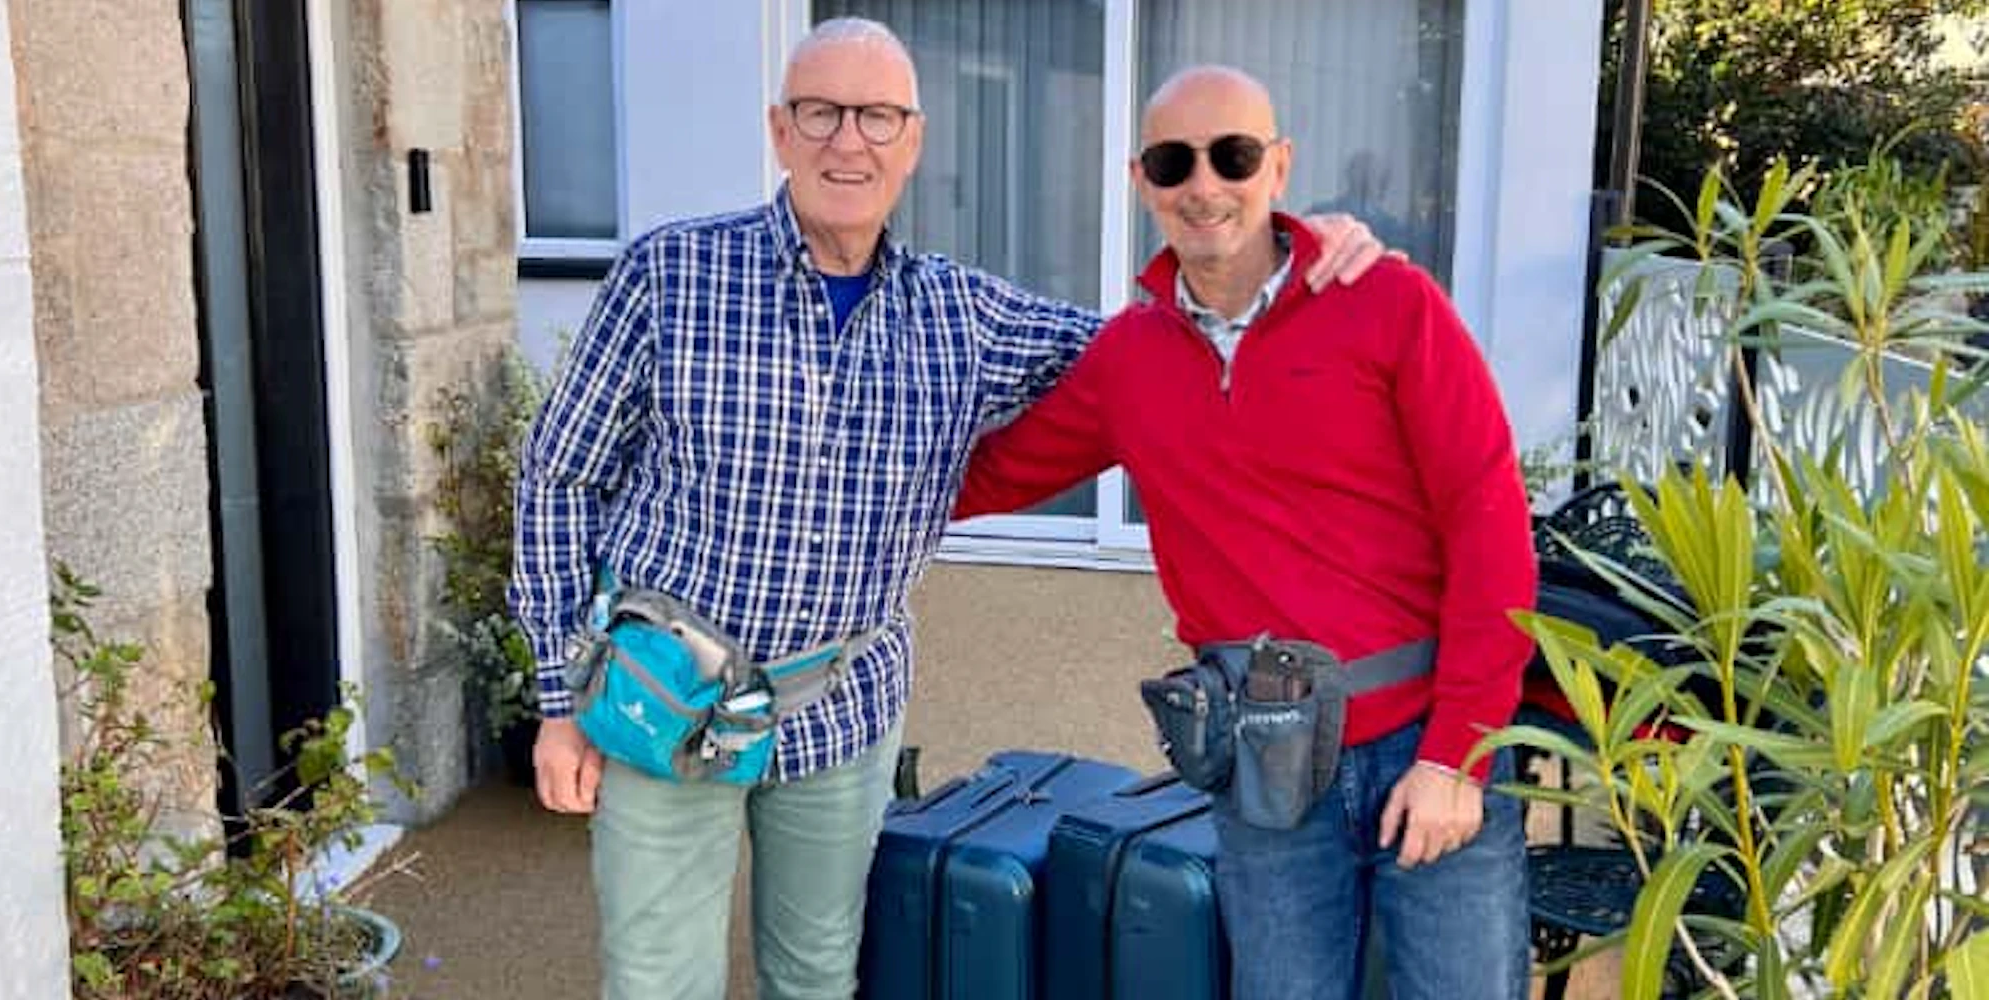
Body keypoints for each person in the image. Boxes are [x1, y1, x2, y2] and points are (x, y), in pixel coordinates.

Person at [508, 19, 1389, 1000]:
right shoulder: (668, 276)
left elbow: (1147, 355)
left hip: (837, 714)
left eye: (877, 116)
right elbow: (557, 477)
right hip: (662, 700)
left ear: (913, 140)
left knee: (813, 977)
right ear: (779, 130)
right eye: (821, 112)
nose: (849, 140)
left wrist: (1293, 261)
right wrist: (557, 698)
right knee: (656, 983)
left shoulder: (959, 316)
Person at [954, 65, 1537, 1000]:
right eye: (1173, 162)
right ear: (1141, 180)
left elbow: (1490, 527)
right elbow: (985, 475)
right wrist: (815, 478)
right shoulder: (1129, 360)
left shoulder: (1390, 305)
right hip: (1265, 763)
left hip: (1423, 745)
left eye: (1232, 155)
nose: (1204, 186)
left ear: (1278, 166)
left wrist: (1457, 754)